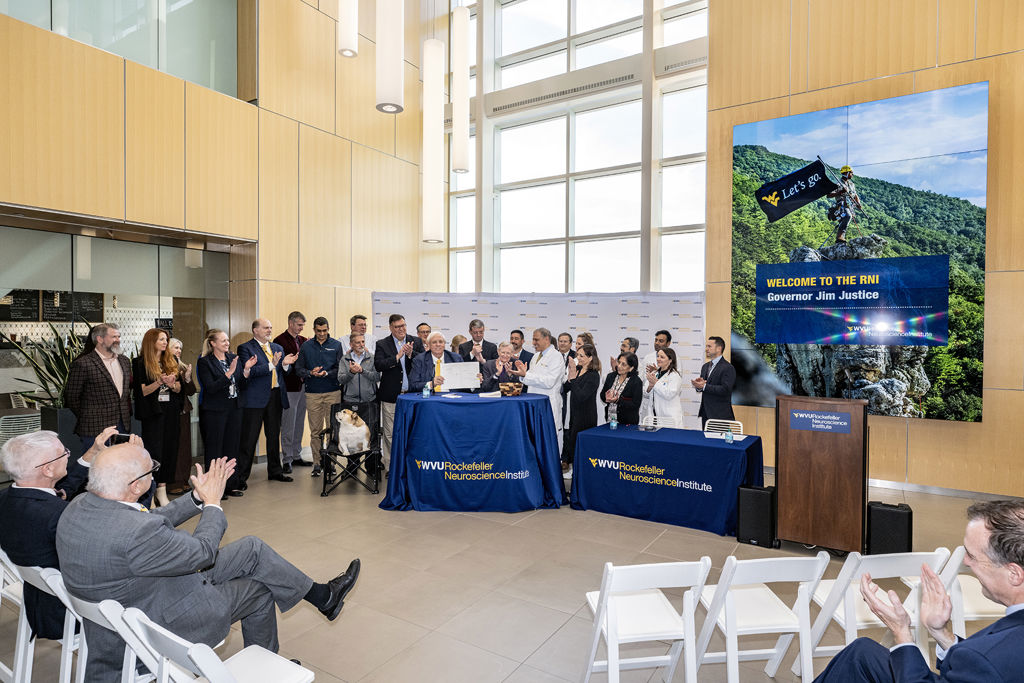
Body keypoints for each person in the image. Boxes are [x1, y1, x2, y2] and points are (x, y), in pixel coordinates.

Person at [55, 445, 361, 682]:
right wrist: (213, 504)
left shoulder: (79, 506)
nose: (153, 476)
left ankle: (324, 597)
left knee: (251, 549)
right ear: (136, 487)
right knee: (258, 590)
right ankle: (267, 668)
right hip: (161, 615)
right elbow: (203, 553)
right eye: (152, 471)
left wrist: (196, 499)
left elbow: (147, 522)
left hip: (142, 593)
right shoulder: (137, 533)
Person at [813, 500, 1024, 682]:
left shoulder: (992, 657)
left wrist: (901, 631)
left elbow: (985, 664)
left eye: (973, 556)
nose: (966, 562)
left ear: (1014, 574)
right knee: (862, 655)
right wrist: (940, 632)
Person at [0, 428, 127, 641]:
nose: (69, 454)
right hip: (73, 611)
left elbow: (59, 492)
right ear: (48, 470)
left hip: (40, 600)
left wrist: (92, 453)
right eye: (64, 453)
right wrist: (138, 480)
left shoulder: (9, 499)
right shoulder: (60, 516)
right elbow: (115, 546)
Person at [237, 319, 299, 485]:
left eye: (271, 327)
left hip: (275, 397)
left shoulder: (277, 348)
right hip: (254, 400)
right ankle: (241, 477)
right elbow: (249, 372)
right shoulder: (245, 348)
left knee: (273, 437)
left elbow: (284, 371)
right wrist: (271, 366)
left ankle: (275, 471)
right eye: (265, 328)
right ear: (255, 330)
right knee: (249, 439)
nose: (269, 330)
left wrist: (285, 365)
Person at [131, 328, 182, 507]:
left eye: (166, 339)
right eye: (161, 339)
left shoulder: (172, 359)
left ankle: (162, 489)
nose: (165, 342)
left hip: (171, 411)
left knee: (170, 449)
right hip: (153, 413)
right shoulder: (140, 363)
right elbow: (142, 391)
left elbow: (179, 388)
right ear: (151, 341)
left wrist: (172, 384)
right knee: (155, 451)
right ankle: (150, 492)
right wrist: (159, 382)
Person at [65, 322, 132, 452]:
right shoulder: (83, 363)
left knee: (119, 464)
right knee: (95, 466)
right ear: (99, 339)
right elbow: (71, 397)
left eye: (118, 337)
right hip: (95, 428)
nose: (117, 340)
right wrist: (89, 415)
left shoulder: (124, 361)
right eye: (113, 337)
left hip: (122, 425)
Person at [197, 329, 246, 496]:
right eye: (223, 341)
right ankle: (214, 487)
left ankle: (231, 484)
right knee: (215, 450)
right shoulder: (205, 362)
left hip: (234, 408)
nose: (227, 343)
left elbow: (240, 382)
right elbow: (210, 387)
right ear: (213, 343)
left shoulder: (233, 358)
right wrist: (229, 373)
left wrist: (245, 371)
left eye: (227, 340)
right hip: (215, 410)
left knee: (232, 447)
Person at [374, 314, 424, 474]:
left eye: (403, 325)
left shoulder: (415, 341)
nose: (401, 329)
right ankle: (390, 466)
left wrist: (411, 355)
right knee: (390, 433)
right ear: (390, 328)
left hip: (413, 396)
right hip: (391, 396)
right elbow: (378, 365)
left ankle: (411, 465)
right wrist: (397, 356)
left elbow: (424, 362)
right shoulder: (382, 344)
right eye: (397, 327)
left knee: (413, 432)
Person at [294, 317, 342, 476]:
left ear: (328, 329)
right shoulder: (306, 346)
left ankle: (331, 463)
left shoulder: (336, 345)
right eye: (319, 331)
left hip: (333, 392)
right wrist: (310, 373)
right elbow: (298, 369)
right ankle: (317, 463)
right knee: (315, 431)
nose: (322, 334)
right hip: (312, 393)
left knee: (332, 430)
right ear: (314, 330)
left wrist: (327, 373)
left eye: (325, 330)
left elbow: (340, 369)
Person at [509, 328, 566, 449]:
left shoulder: (556, 357)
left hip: (548, 404)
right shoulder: (535, 357)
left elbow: (549, 382)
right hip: (534, 403)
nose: (533, 343)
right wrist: (522, 375)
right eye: (533, 339)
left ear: (546, 339)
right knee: (533, 442)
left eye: (536, 340)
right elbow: (530, 379)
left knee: (548, 443)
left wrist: (526, 375)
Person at [273, 311, 309, 471]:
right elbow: (280, 366)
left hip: (304, 387)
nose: (301, 328)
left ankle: (296, 455)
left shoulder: (304, 341)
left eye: (303, 325)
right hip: (289, 388)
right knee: (288, 424)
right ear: (291, 323)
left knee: (299, 422)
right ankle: (286, 458)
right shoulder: (279, 341)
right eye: (299, 325)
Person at [337, 333, 381, 457]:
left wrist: (362, 371)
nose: (361, 345)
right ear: (351, 344)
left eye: (363, 342)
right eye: (358, 342)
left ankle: (371, 467)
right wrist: (351, 372)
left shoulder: (371, 358)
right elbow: (340, 379)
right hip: (350, 401)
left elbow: (377, 377)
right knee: (351, 436)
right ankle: (352, 467)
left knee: (370, 434)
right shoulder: (344, 359)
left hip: (369, 401)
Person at [562, 343, 600, 476]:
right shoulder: (577, 369)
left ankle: (581, 482)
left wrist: (573, 379)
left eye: (581, 355)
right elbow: (567, 388)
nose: (578, 357)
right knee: (573, 448)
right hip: (574, 415)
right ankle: (575, 481)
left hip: (585, 417)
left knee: (582, 451)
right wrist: (569, 377)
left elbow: (582, 395)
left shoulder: (593, 375)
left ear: (590, 358)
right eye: (578, 355)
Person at [167, 338, 197, 494]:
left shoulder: (184, 367)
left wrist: (187, 379)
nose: (178, 350)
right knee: (175, 448)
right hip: (170, 412)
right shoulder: (164, 366)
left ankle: (184, 479)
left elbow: (191, 391)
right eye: (175, 347)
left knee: (185, 447)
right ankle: (173, 481)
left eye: (180, 348)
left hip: (184, 411)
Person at [692, 335, 736, 427]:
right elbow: (703, 388)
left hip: (720, 415)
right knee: (706, 441)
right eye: (706, 346)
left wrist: (704, 386)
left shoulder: (728, 368)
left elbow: (725, 389)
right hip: (705, 413)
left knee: (718, 441)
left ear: (719, 348)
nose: (706, 349)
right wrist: (699, 386)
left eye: (709, 346)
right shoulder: (705, 366)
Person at [601, 352, 644, 425]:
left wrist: (618, 400)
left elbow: (635, 404)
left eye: (623, 364)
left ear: (631, 368)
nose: (619, 366)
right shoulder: (610, 376)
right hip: (609, 420)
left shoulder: (636, 382)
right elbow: (602, 395)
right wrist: (606, 397)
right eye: (619, 362)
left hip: (627, 423)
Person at [645, 347, 684, 425]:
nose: (658, 359)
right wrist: (650, 386)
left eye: (662, 357)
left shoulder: (675, 376)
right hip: (653, 416)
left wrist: (655, 383)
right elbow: (645, 393)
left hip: (668, 418)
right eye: (658, 356)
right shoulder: (654, 373)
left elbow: (669, 394)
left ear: (670, 360)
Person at [640, 330, 672, 422]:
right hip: (649, 403)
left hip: (664, 405)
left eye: (660, 341)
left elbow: (673, 384)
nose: (657, 343)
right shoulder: (647, 358)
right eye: (656, 340)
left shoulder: (674, 359)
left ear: (668, 343)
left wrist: (657, 374)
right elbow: (643, 381)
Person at [826, 164, 862, 244]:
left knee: (847, 219)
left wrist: (858, 203)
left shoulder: (851, 184)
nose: (852, 174)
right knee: (847, 216)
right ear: (847, 173)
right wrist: (840, 192)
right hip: (841, 205)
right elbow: (829, 195)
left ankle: (841, 238)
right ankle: (840, 237)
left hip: (849, 206)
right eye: (851, 172)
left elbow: (855, 195)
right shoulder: (838, 183)